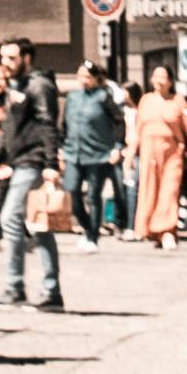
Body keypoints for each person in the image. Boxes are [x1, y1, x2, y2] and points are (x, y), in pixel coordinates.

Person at [0, 41, 67, 313]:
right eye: (3, 57)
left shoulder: (38, 86)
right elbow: (9, 126)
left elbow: (48, 123)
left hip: (33, 161)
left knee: (10, 218)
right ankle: (50, 292)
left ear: (27, 58)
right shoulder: (18, 86)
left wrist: (50, 162)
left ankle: (16, 287)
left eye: (11, 57)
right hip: (22, 160)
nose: (5, 62)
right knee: (39, 226)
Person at [61, 50, 125, 242]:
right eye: (80, 76)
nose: (83, 80)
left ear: (96, 79)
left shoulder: (103, 97)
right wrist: (60, 146)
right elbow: (64, 123)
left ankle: (93, 236)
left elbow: (119, 121)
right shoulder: (72, 97)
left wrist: (117, 146)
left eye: (87, 77)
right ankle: (87, 225)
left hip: (97, 153)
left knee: (93, 195)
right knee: (72, 190)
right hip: (74, 152)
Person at [132, 63, 187, 248]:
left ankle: (166, 230)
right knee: (149, 189)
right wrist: (129, 156)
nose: (158, 80)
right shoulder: (145, 100)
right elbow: (138, 130)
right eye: (155, 76)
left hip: (172, 151)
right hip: (148, 149)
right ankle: (151, 229)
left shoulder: (178, 101)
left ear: (170, 81)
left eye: (162, 76)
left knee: (169, 190)